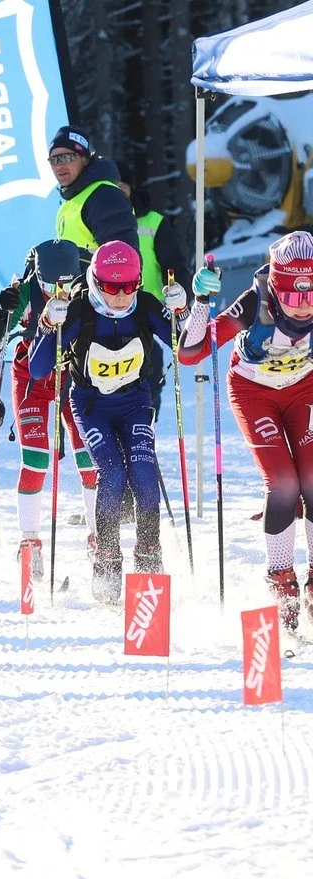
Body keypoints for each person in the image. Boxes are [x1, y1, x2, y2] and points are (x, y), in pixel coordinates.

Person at [178, 231, 313, 630]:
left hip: (303, 387)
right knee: (286, 484)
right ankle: (280, 578)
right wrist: (200, 302)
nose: (303, 308)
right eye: (293, 298)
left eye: (310, 297)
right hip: (255, 392)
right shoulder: (255, 302)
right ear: (276, 287)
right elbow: (189, 354)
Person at [30, 241, 173, 603]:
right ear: (96, 281)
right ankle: (107, 563)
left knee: (143, 472)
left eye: (130, 285)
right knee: (111, 475)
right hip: (92, 405)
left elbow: (188, 349)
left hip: (134, 402)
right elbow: (38, 368)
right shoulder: (79, 310)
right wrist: (49, 324)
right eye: (112, 286)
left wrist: (188, 309)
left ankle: (148, 557)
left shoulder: (144, 307)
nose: (122, 295)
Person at [0, 240, 100, 581]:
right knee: (36, 458)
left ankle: (98, 538)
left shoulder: (85, 288)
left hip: (74, 379)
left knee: (89, 457)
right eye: (49, 285)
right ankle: (29, 542)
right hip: (32, 378)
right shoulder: (26, 291)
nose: (56, 291)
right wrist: (1, 312)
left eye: (64, 284)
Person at [48, 126, 146, 289]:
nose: (59, 166)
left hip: (105, 305)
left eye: (66, 158)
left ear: (85, 159)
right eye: (54, 160)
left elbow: (124, 261)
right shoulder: (72, 201)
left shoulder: (104, 195)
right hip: (77, 304)